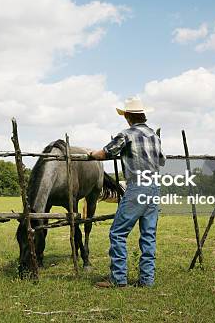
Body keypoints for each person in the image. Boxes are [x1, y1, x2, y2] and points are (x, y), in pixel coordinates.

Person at [88, 96, 165, 288]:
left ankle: (118, 279)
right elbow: (162, 160)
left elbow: (105, 153)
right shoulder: (154, 136)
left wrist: (91, 153)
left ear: (128, 116)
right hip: (154, 186)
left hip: (138, 186)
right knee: (148, 234)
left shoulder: (126, 135)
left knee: (118, 233)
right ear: (144, 116)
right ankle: (147, 280)